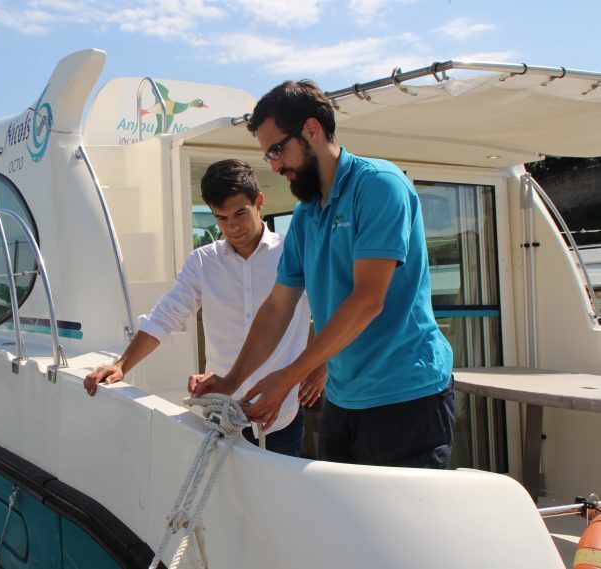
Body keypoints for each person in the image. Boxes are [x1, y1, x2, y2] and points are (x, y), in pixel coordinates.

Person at [189, 81, 455, 469]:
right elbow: (278, 307)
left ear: (311, 130)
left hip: (406, 396)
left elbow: (367, 301)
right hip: (344, 400)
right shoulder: (306, 216)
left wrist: (289, 376)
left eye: (277, 149)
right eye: (268, 156)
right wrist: (231, 380)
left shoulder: (379, 186)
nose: (275, 165)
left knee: (397, 528)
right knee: (342, 524)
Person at [85, 159, 324, 457]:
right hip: (221, 413)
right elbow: (167, 314)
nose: (232, 226)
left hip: (282, 414)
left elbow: (332, 310)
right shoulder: (201, 261)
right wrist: (122, 365)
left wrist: (324, 365)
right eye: (221, 218)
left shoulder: (294, 252)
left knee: (280, 502)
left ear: (259, 202)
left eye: (240, 213)